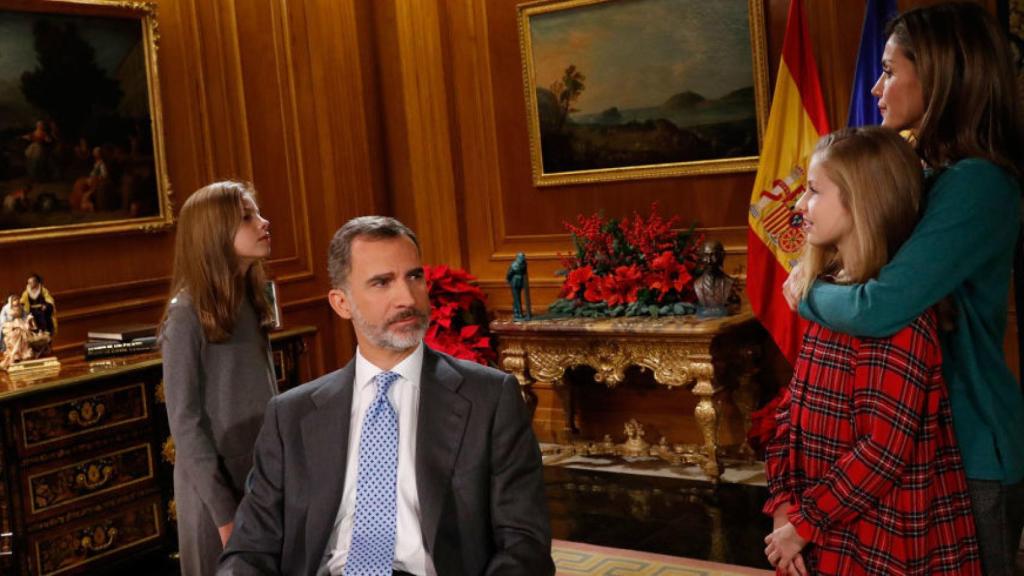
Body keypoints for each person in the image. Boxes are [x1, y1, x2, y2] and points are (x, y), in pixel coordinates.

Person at [780, 4, 1024, 574]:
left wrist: (806, 293)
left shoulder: (979, 183)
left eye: (890, 70)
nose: (875, 85)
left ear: (940, 74)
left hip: (971, 445)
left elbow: (880, 305)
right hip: (918, 443)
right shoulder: (924, 166)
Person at [220, 216, 554, 576]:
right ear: (341, 303)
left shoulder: (490, 398)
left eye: (414, 277)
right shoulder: (290, 415)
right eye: (382, 282)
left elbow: (524, 544)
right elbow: (249, 549)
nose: (406, 298)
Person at [766, 127, 982, 575]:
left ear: (861, 201)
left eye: (813, 191)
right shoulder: (830, 296)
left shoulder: (897, 318)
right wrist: (785, 503)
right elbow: (795, 409)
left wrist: (807, 521)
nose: (800, 206)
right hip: (823, 519)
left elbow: (882, 452)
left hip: (883, 532)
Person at [160, 180, 277, 576]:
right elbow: (185, 424)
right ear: (214, 233)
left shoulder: (251, 299)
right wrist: (225, 514)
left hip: (261, 480)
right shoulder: (185, 315)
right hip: (216, 496)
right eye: (247, 217)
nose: (263, 222)